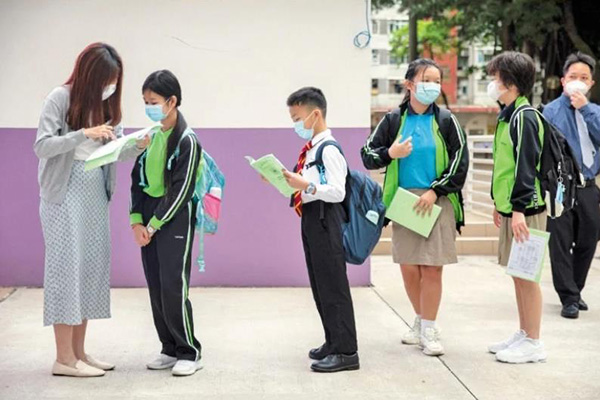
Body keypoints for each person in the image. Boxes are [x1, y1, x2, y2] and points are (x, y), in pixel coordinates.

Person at [34, 42, 147, 377]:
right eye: (104, 80)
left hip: (95, 192)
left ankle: (80, 353)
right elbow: (42, 146)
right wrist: (83, 133)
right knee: (65, 272)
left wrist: (135, 146)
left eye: (113, 81)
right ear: (89, 76)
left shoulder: (107, 105)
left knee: (88, 270)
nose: (109, 87)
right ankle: (63, 359)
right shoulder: (60, 97)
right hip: (63, 193)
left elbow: (114, 152)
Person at [361, 58, 468, 357]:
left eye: (436, 80)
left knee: (432, 267)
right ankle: (421, 320)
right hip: (404, 201)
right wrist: (390, 153)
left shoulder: (446, 120)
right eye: (426, 80)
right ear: (409, 84)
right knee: (409, 267)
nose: (432, 86)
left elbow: (461, 161)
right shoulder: (393, 119)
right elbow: (368, 154)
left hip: (437, 201)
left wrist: (436, 191)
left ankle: (430, 329)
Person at [129, 70, 203, 377]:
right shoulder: (151, 136)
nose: (149, 106)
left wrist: (155, 224)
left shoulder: (188, 141)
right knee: (156, 285)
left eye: (154, 101)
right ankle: (168, 348)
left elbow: (181, 190)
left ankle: (189, 351)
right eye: (145, 101)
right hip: (147, 219)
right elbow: (138, 180)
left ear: (172, 101)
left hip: (173, 220)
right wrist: (136, 222)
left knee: (174, 285)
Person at [281, 87, 359, 373]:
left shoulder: (329, 149)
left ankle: (347, 351)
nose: (295, 124)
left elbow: (337, 191)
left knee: (334, 286)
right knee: (320, 284)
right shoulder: (312, 148)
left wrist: (306, 186)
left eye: (297, 117)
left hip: (327, 220)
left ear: (315, 114)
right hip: (313, 219)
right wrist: (286, 181)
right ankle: (332, 340)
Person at [486, 51, 547, 363]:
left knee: (528, 276)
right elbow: (504, 167)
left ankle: (534, 342)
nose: (492, 83)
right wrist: (500, 204)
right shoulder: (509, 115)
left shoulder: (524, 117)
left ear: (509, 82)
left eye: (496, 78)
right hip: (513, 208)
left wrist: (519, 209)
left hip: (528, 210)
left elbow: (526, 166)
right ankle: (524, 332)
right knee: (517, 273)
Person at [543, 52, 600, 319]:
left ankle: (576, 290)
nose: (578, 81)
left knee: (589, 239)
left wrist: (585, 109)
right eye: (573, 77)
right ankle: (568, 297)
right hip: (561, 187)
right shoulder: (551, 111)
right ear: (563, 80)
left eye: (584, 78)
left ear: (591, 82)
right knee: (561, 242)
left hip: (589, 185)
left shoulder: (595, 111)